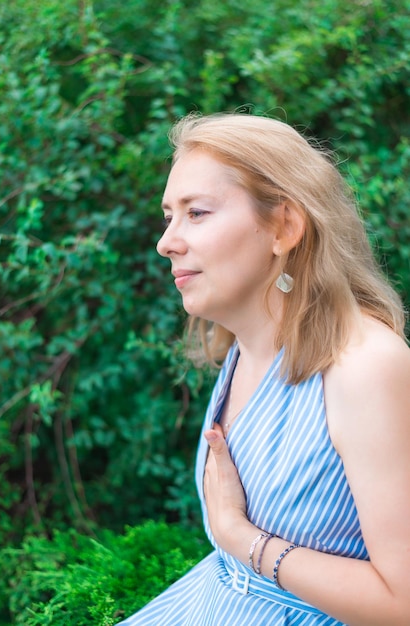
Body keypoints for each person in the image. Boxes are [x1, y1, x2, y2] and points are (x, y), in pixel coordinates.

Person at [116, 113, 410, 626]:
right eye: (169, 217)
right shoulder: (244, 347)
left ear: (284, 227)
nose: (167, 242)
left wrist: (241, 539)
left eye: (197, 213)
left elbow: (402, 603)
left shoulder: (365, 367)